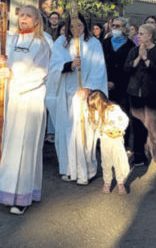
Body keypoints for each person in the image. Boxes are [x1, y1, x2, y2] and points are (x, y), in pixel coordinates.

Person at [0, 6, 51, 215]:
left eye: (28, 16)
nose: (23, 19)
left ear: (36, 21)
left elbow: (41, 73)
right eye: (21, 15)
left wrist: (14, 76)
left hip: (28, 100)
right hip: (6, 98)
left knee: (23, 146)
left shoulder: (41, 44)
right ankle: (2, 187)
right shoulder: (10, 40)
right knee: (5, 143)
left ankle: (21, 194)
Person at [51, 13, 106, 185]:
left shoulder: (93, 43)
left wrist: (88, 88)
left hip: (84, 94)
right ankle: (68, 168)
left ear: (85, 25)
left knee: (84, 132)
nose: (76, 29)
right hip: (65, 95)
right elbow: (53, 66)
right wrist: (70, 65)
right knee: (66, 133)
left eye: (79, 25)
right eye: (72, 26)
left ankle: (86, 170)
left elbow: (99, 67)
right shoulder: (61, 42)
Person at [125, 23, 156, 165]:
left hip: (152, 93)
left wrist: (146, 58)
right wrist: (138, 58)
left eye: (142, 33)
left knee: (151, 124)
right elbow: (127, 69)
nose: (139, 36)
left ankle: (153, 148)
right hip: (135, 92)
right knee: (137, 125)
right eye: (139, 33)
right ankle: (139, 155)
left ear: (150, 36)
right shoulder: (134, 50)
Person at [101, 17, 137, 160]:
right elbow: (99, 63)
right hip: (104, 83)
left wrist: (115, 82)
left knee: (122, 114)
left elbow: (129, 68)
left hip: (122, 85)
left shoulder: (130, 45)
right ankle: (105, 143)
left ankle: (123, 143)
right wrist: (105, 81)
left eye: (119, 26)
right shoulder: (104, 43)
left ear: (125, 29)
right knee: (105, 114)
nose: (115, 28)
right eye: (113, 26)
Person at [87, 89, 130, 195]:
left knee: (119, 161)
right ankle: (107, 182)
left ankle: (121, 182)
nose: (95, 109)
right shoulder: (95, 113)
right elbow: (94, 126)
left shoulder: (114, 109)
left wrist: (119, 129)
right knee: (106, 162)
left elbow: (124, 120)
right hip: (105, 140)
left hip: (116, 139)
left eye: (96, 106)